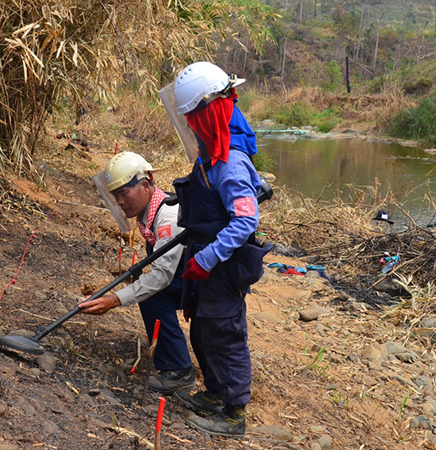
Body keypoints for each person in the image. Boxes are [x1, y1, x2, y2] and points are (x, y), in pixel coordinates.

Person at [168, 61, 270, 438]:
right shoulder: (211, 155)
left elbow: (245, 222)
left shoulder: (231, 163)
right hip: (204, 259)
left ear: (208, 113)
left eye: (194, 117)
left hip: (222, 267)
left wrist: (206, 260)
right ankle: (213, 393)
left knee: (224, 334)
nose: (191, 125)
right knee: (203, 330)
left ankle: (232, 413)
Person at [79, 151, 195, 395]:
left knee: (152, 293)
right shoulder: (149, 213)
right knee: (146, 290)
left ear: (145, 185)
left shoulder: (167, 218)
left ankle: (179, 370)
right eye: (115, 195)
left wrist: (115, 299)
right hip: (187, 276)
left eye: (124, 193)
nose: (120, 202)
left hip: (206, 283)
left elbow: (162, 276)